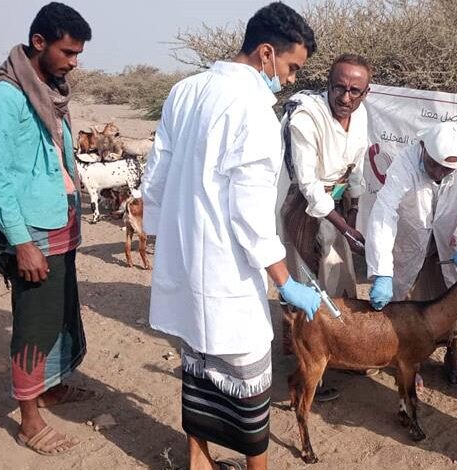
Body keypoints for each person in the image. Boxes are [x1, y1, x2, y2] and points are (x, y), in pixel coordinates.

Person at [141, 4, 320, 470]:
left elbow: (155, 176)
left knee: (197, 366)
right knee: (247, 379)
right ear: (266, 53)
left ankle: (199, 462)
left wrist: (164, 243)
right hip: (226, 272)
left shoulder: (185, 91)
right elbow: (251, 214)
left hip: (185, 261)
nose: (290, 79)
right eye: (291, 67)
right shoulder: (255, 112)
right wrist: (286, 281)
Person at [0, 2, 92, 456]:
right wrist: (21, 243)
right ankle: (28, 418)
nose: (74, 61)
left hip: (60, 219)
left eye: (78, 53)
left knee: (61, 313)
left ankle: (50, 386)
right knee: (34, 320)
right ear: (39, 42)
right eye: (68, 51)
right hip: (33, 230)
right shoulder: (4, 97)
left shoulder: (50, 89)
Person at [365, 122, 457, 384]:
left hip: (442, 245)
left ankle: (451, 353)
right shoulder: (405, 164)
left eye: (446, 169)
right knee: (401, 304)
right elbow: (384, 212)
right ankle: (402, 358)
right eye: (434, 165)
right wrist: (381, 270)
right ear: (423, 148)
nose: (438, 173)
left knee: (448, 302)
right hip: (408, 241)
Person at [278, 53, 372, 400]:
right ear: (328, 85)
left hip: (338, 204)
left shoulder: (360, 115)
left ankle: (343, 353)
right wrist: (345, 226)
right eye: (339, 88)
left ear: (366, 92)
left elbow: (356, 169)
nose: (346, 98)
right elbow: (308, 185)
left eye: (355, 91)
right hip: (304, 206)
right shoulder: (305, 118)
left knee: (341, 277)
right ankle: (305, 368)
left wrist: (354, 213)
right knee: (306, 284)